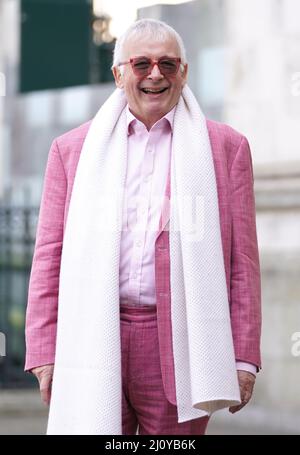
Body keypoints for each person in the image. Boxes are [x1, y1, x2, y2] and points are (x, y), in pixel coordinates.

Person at [24, 18, 261, 435]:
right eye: (142, 64)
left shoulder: (226, 147)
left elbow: (242, 261)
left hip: (179, 343)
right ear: (119, 74)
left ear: (184, 73)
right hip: (94, 337)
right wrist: (44, 350)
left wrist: (243, 358)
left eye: (168, 65)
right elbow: (49, 255)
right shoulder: (71, 151)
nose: (156, 74)